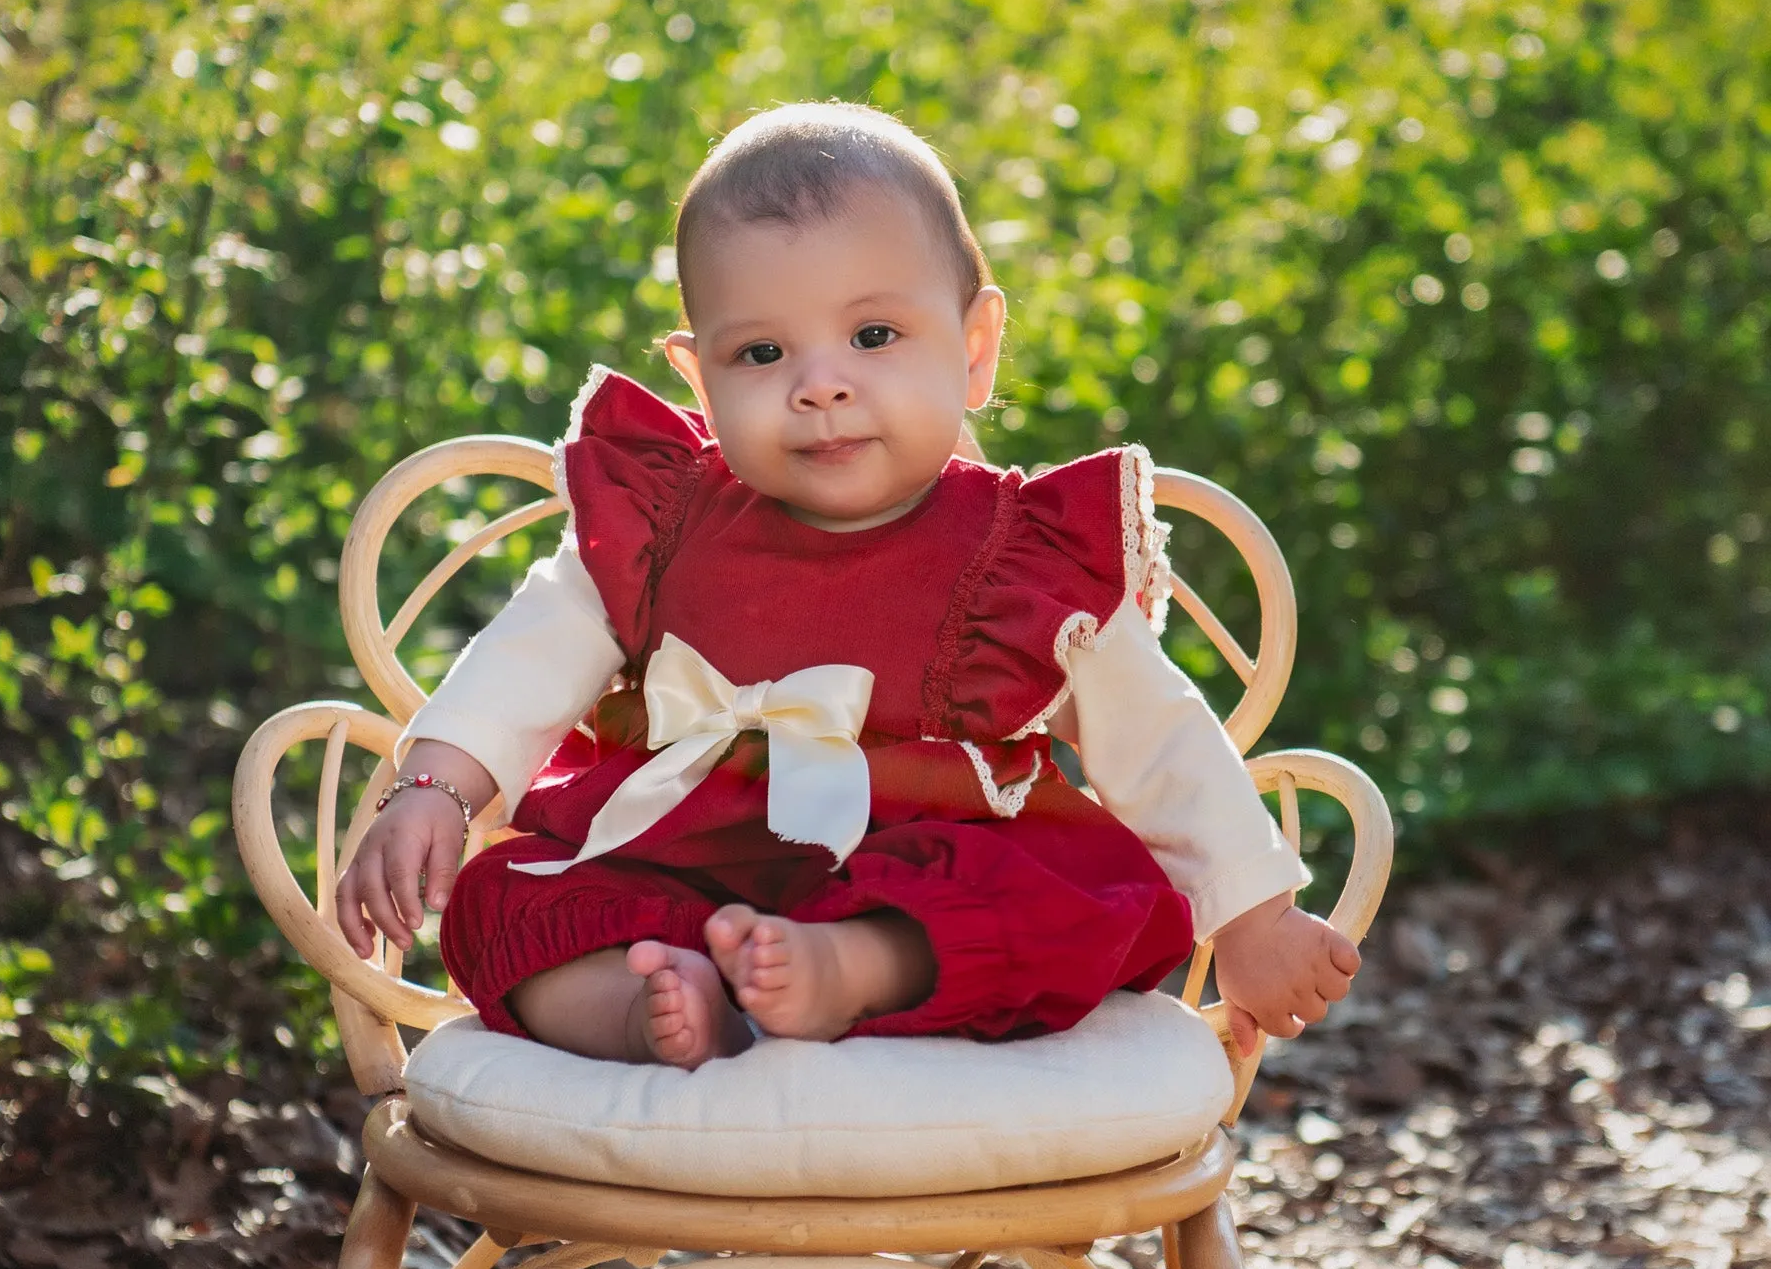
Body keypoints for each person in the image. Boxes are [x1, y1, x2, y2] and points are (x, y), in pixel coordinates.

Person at [336, 102, 1359, 1069]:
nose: (818, 384)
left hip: (920, 861)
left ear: (972, 349)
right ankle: (647, 1004)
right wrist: (434, 785)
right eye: (761, 350)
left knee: (1063, 894)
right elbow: (527, 655)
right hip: (686, 859)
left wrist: (1253, 916)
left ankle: (856, 967)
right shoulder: (665, 523)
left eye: (873, 336)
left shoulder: (1017, 556)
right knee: (500, 896)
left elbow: (1161, 738)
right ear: (700, 380)